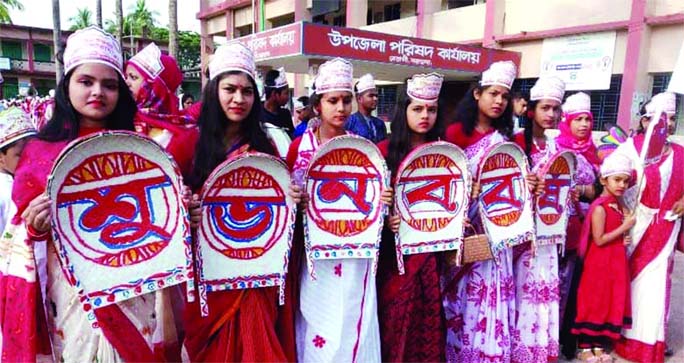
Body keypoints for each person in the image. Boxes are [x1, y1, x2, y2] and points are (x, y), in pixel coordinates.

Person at [1, 26, 178, 362]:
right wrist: (35, 228)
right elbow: (20, 236)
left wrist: (179, 209)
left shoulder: (142, 153)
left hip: (133, 287)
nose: (98, 91)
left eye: (109, 84)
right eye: (86, 82)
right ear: (66, 86)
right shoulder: (39, 154)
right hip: (71, 295)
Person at [181, 42, 293, 362]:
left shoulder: (265, 144)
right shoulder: (189, 142)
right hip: (209, 274)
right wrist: (185, 209)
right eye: (230, 89)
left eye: (246, 91)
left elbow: (277, 204)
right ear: (214, 90)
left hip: (255, 271)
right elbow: (169, 209)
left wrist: (291, 199)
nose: (238, 99)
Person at [286, 58, 391, 363]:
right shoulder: (298, 148)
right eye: (333, 101)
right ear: (318, 105)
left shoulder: (362, 148)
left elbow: (371, 200)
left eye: (346, 100)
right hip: (314, 252)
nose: (341, 108)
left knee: (350, 315)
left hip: (355, 250)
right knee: (317, 315)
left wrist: (382, 198)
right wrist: (296, 201)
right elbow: (285, 204)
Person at [442, 60, 519, 362]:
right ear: (477, 94)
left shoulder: (506, 142)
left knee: (491, 293)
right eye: (493, 94)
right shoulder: (454, 135)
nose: (499, 101)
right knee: (461, 297)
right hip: (465, 233)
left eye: (504, 96)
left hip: (497, 233)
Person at [376, 72, 446, 362]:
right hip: (395, 257)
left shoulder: (446, 153)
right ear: (403, 110)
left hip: (430, 254)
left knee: (428, 318)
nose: (425, 116)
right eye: (417, 108)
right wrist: (385, 218)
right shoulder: (382, 152)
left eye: (431, 109)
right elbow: (366, 211)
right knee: (394, 320)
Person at [612, 92, 684, 363]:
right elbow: (609, 179)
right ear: (645, 121)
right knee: (632, 282)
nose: (669, 124)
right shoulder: (630, 149)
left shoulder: (680, 153)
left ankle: (653, 341)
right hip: (635, 226)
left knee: (656, 287)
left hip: (666, 228)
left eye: (673, 119)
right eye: (663, 118)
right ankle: (625, 336)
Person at [512, 76, 566, 363]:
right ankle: (519, 350)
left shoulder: (559, 147)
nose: (552, 115)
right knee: (522, 287)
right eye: (546, 108)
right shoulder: (515, 142)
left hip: (549, 229)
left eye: (556, 109)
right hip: (521, 232)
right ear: (531, 110)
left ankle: (539, 350)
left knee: (544, 286)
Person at [572, 152, 635, 363]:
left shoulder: (619, 205)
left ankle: (599, 344)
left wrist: (623, 234)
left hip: (614, 263)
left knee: (607, 301)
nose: (622, 185)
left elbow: (618, 230)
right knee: (594, 301)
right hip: (598, 264)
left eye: (625, 181)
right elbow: (599, 239)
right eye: (617, 179)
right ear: (603, 179)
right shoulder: (599, 207)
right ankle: (584, 346)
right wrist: (624, 228)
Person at [556, 92, 602, 359]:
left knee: (580, 285)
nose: (584, 124)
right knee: (560, 284)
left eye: (588, 119)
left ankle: (572, 338)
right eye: (578, 119)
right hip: (562, 227)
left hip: (590, 227)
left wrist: (585, 190)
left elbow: (601, 189)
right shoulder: (558, 149)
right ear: (567, 121)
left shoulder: (596, 152)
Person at [125, 42, 198, 176]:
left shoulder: (185, 130)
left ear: (155, 86)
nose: (127, 83)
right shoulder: (120, 119)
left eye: (133, 78)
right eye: (126, 77)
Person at [0, 107, 36, 235]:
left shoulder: (29, 182)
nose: (30, 159)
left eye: (34, 152)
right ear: (1, 158)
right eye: (21, 155)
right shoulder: (4, 192)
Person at [345, 73, 388, 143]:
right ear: (359, 98)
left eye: (376, 96)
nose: (375, 98)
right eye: (371, 96)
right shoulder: (350, 121)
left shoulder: (380, 123)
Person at [262, 67, 295, 135]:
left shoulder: (285, 114)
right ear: (274, 94)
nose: (288, 97)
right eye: (286, 93)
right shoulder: (256, 113)